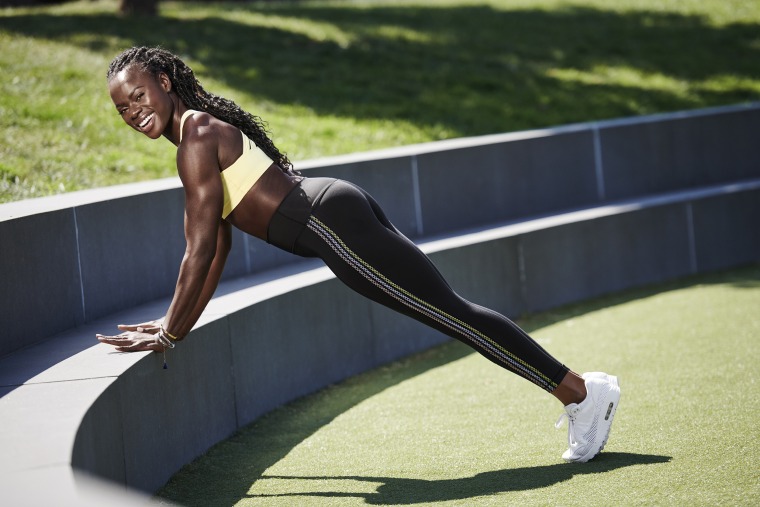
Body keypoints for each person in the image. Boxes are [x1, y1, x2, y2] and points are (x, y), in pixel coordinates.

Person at [97, 46, 620, 463]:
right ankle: (581, 389)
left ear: (164, 83)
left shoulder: (195, 138)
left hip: (330, 223)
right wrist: (175, 328)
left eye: (138, 95)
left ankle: (579, 395)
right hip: (333, 211)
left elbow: (200, 247)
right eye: (123, 107)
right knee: (453, 309)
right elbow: (217, 249)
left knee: (454, 315)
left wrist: (168, 330)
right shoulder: (198, 131)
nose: (133, 111)